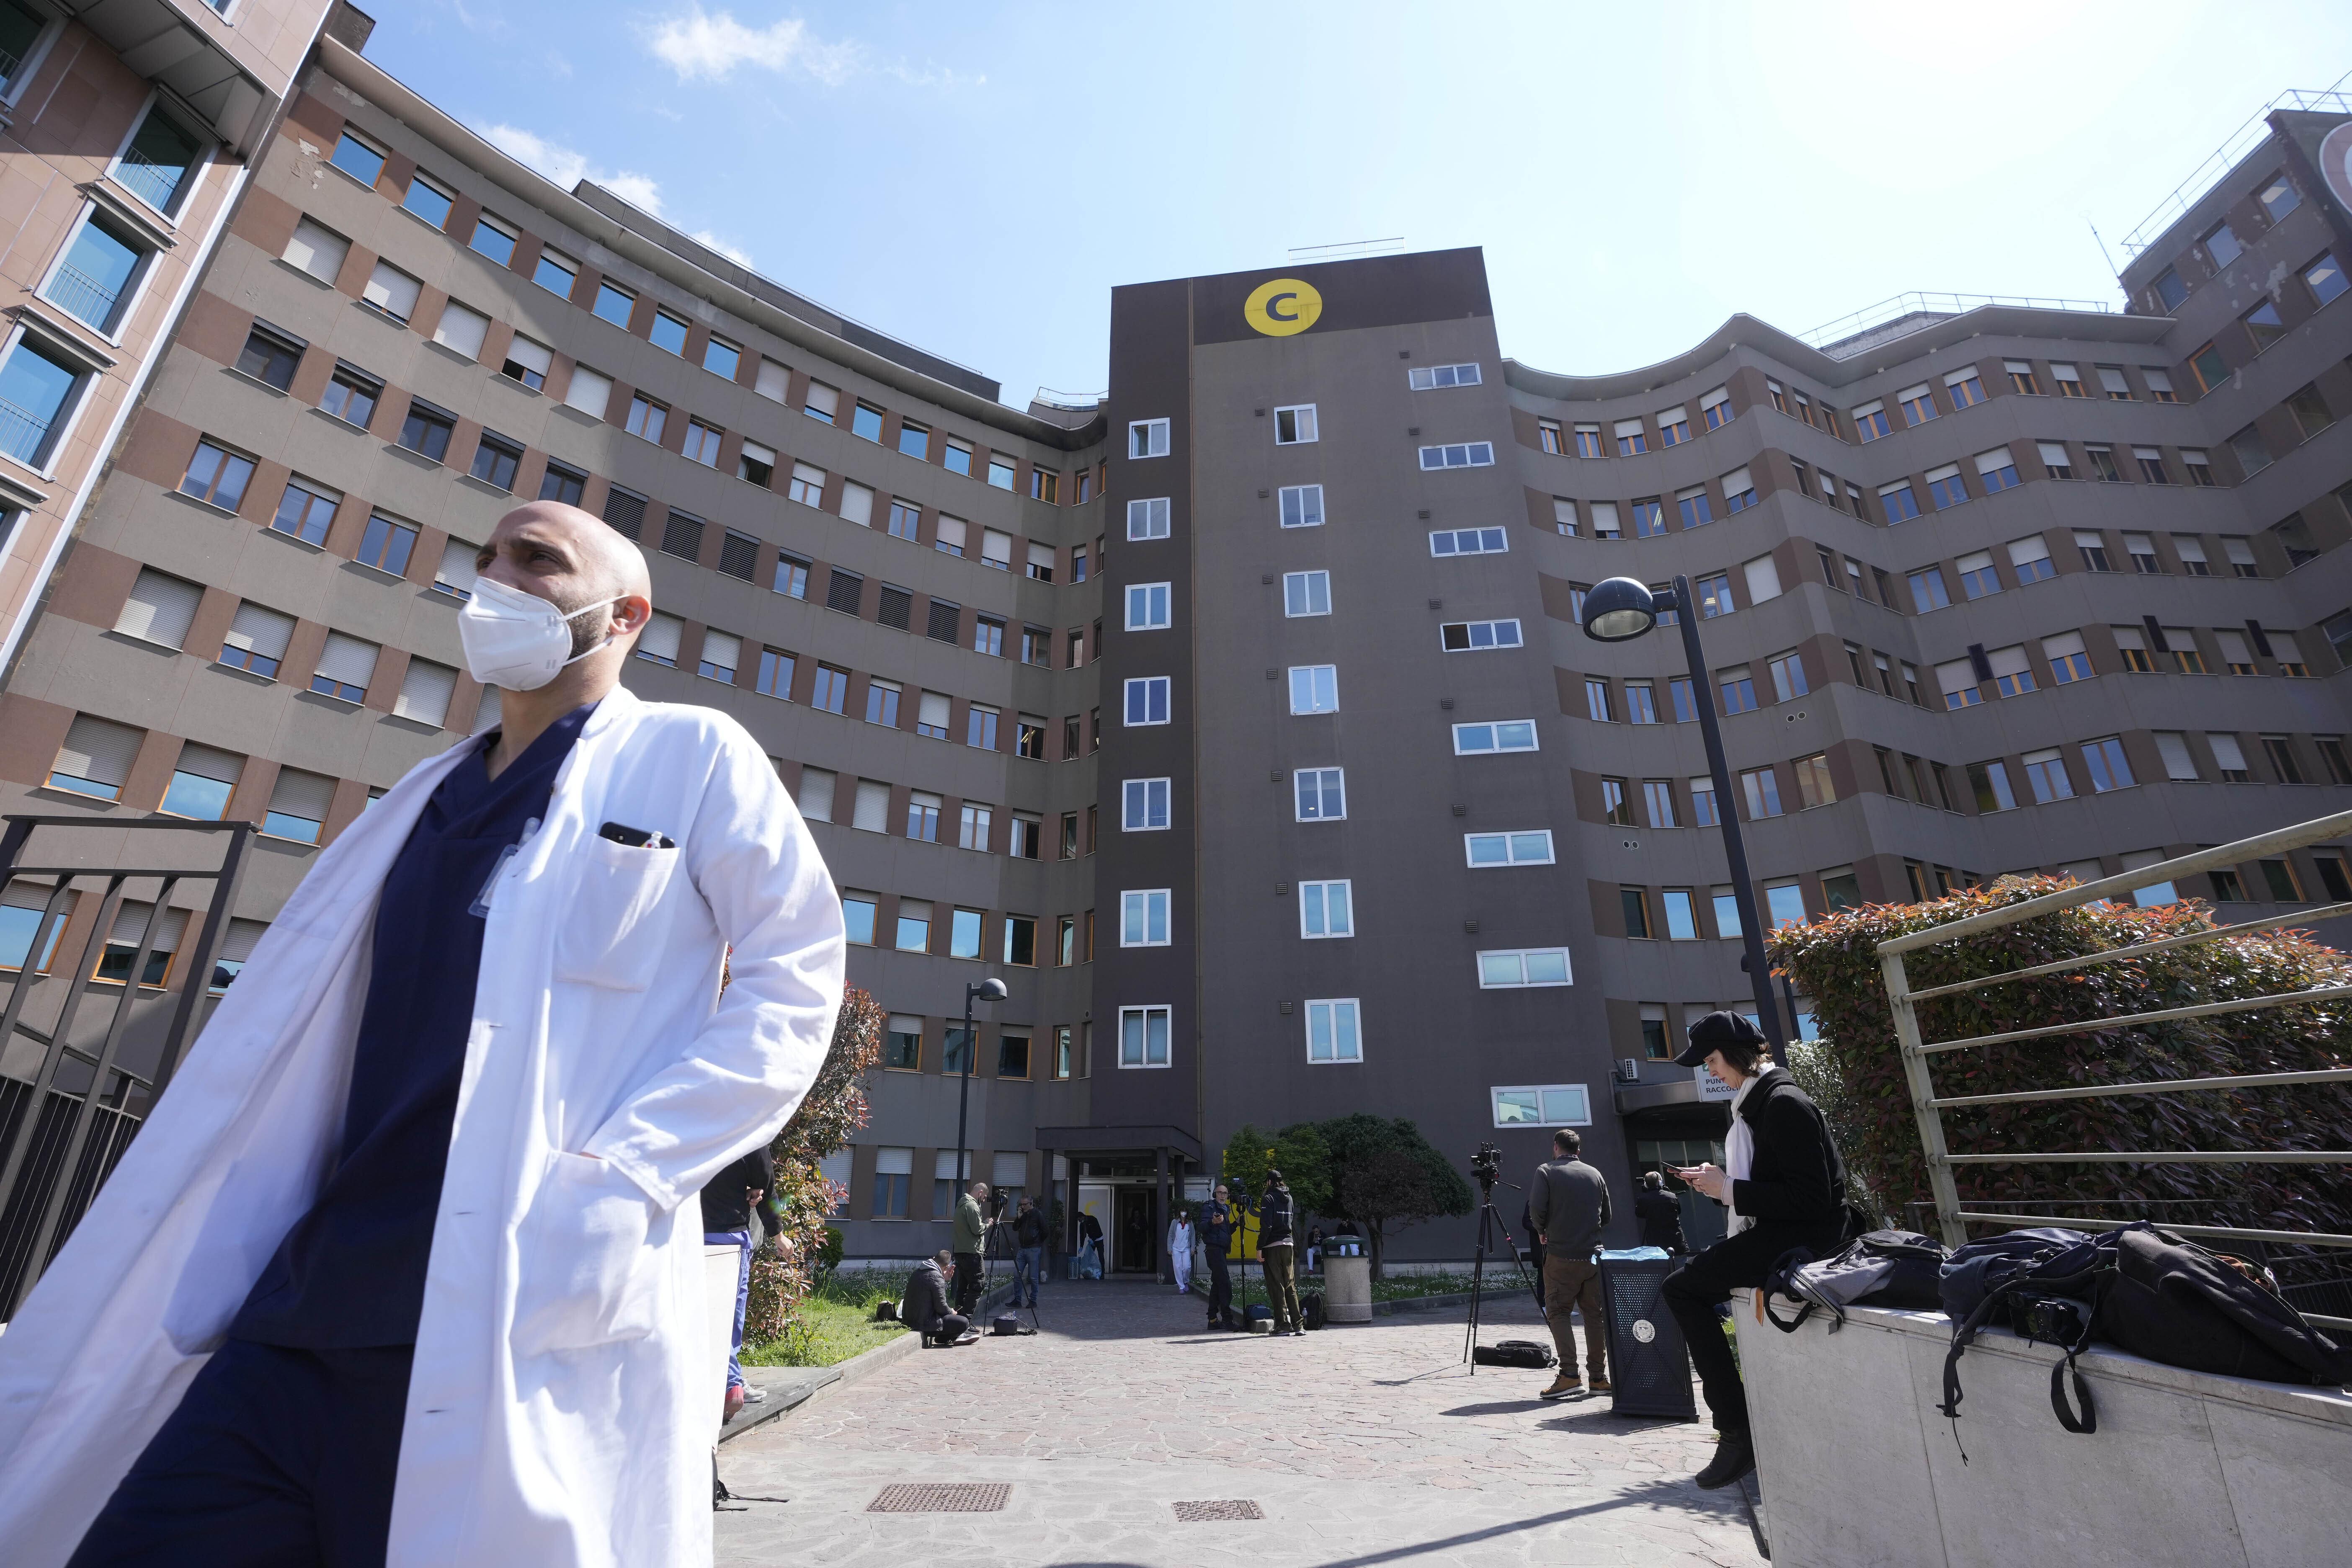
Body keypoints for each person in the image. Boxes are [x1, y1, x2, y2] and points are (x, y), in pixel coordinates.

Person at [1, 500, 847, 1566]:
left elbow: (795, 972)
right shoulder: (418, 800)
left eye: (535, 560)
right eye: (486, 557)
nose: (494, 580)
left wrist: (630, 1169)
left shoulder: (691, 755)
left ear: (626, 614)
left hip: (505, 1302)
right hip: (303, 1311)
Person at [1661, 1010, 1849, 1491]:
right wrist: (1721, 1185)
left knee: (1682, 1290)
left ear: (1735, 1054)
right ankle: (1737, 1428)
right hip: (1786, 1232)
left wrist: (1729, 1189)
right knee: (1687, 1285)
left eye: (1712, 1061)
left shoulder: (1783, 1104)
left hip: (1805, 1239)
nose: (1711, 1072)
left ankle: (1736, 1430)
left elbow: (1812, 1200)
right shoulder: (1761, 1102)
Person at [702, 1145, 790, 1422]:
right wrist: (779, 1235)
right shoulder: (747, 1131)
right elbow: (767, 1183)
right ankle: (731, 1384)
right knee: (730, 1313)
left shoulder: (685, 1124)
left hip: (686, 1233)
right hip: (729, 1237)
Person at [1529, 1129, 1614, 1399]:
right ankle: (1598, 1378)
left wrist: (1542, 1230)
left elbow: (1537, 1209)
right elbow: (1607, 1216)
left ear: (1556, 1147)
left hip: (1561, 1255)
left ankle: (1569, 1375)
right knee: (1595, 1316)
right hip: (1593, 1256)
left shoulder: (1546, 1171)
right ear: (1579, 1150)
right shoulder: (1595, 1173)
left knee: (1559, 1313)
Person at [1258, 1170, 1302, 1336]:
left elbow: (1267, 1226)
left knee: (1277, 1285)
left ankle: (1283, 1326)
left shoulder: (1268, 1198)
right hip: (1288, 1244)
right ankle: (1299, 1326)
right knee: (1290, 1285)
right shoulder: (1289, 1198)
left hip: (1272, 1246)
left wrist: (1259, 1247)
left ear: (1269, 1182)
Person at [903, 1251, 973, 1347]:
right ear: (947, 1267)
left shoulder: (918, 1272)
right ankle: (948, 1337)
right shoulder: (936, 1277)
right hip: (925, 1323)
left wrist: (943, 1278)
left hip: (910, 1320)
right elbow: (941, 1308)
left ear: (934, 1258)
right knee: (964, 1322)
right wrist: (952, 1312)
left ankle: (946, 1338)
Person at [1197, 1184, 1237, 1329]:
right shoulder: (1209, 1207)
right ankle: (1227, 1319)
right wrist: (1212, 1222)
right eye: (1220, 1193)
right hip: (1214, 1251)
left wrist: (1237, 1224)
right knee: (1225, 1285)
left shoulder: (1225, 1209)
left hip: (1222, 1250)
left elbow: (1226, 1232)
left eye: (1225, 1193)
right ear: (1215, 1194)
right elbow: (1201, 1227)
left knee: (1217, 1285)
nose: (1223, 1196)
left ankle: (1213, 1320)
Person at [952, 1180, 989, 1314]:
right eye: (984, 1197)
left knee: (963, 1288)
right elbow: (977, 1229)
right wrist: (987, 1224)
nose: (983, 1201)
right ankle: (966, 1320)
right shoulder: (972, 1206)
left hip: (960, 1252)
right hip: (972, 1253)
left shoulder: (961, 1205)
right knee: (977, 1285)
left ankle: (958, 1320)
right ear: (980, 1193)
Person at [1635, 1170, 1687, 1253]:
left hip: (1656, 1245)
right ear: (1660, 1183)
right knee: (1680, 1262)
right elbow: (1679, 1211)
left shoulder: (1643, 1199)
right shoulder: (1672, 1196)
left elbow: (1639, 1214)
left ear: (1646, 1185)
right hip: (1677, 1242)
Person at [1012, 1197, 1047, 1308]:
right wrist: (1018, 1218)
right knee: (1017, 1275)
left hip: (1033, 1249)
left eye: (1025, 1204)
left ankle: (1033, 1300)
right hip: (1022, 1249)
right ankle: (1017, 1300)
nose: (1023, 1207)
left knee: (1033, 1277)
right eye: (1021, 1205)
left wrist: (1037, 1241)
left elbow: (1045, 1231)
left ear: (1031, 1203)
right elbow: (1015, 1228)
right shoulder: (1023, 1215)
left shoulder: (1038, 1214)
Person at [1168, 1209, 1196, 1295]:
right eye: (1182, 1211)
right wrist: (1169, 1248)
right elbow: (1170, 1236)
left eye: (1185, 1211)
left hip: (1186, 1248)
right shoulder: (1174, 1222)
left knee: (1187, 1267)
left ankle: (1185, 1281)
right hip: (1176, 1248)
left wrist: (1193, 1248)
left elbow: (1193, 1236)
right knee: (1178, 1268)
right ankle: (1181, 1287)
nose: (1183, 1213)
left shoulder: (1190, 1223)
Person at [1075, 1210, 1105, 1278]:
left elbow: (1098, 1231)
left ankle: (1102, 1273)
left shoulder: (1093, 1219)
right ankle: (1090, 1272)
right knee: (1089, 1256)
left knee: (1101, 1256)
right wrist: (1081, 1246)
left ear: (1082, 1217)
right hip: (1092, 1240)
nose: (1079, 1221)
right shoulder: (1082, 1225)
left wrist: (1093, 1239)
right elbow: (1082, 1236)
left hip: (1099, 1239)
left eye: (1079, 1219)